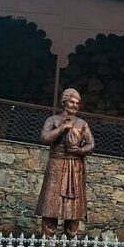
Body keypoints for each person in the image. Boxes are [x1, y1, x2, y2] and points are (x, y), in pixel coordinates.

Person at [35, 87, 95, 238]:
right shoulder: (52, 120)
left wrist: (80, 151)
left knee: (73, 206)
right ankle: (48, 241)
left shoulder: (82, 124)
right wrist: (62, 128)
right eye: (71, 102)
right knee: (51, 204)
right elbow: (44, 138)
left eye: (77, 103)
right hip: (56, 165)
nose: (75, 105)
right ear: (63, 103)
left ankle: (71, 241)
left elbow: (91, 145)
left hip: (74, 166)